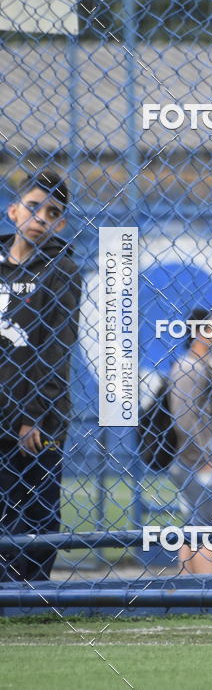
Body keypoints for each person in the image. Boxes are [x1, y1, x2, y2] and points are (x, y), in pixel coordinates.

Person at [0, 170, 82, 582]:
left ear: (60, 223)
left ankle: (29, 598)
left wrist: (33, 413)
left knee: (35, 510)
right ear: (13, 210)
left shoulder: (62, 270)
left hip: (34, 419)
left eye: (52, 212)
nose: (41, 217)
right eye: (34, 206)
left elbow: (56, 350)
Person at [168, 307, 212, 575]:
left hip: (204, 462)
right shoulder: (189, 367)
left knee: (195, 525)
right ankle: (208, 591)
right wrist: (203, 459)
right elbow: (184, 419)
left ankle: (188, 590)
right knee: (207, 528)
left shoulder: (203, 367)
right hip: (199, 464)